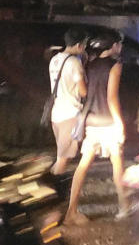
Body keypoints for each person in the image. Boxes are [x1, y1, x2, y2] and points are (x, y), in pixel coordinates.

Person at [64, 29, 125, 225]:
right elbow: (112, 98)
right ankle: (124, 206)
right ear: (113, 46)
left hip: (91, 121)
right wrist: (120, 124)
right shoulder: (115, 66)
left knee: (83, 166)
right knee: (117, 163)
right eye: (118, 43)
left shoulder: (89, 64)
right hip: (107, 122)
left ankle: (71, 210)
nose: (120, 47)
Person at [49, 27, 88, 175]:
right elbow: (83, 91)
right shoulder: (74, 63)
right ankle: (50, 189)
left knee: (62, 156)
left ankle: (50, 184)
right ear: (79, 45)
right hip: (70, 114)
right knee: (63, 159)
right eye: (84, 45)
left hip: (57, 114)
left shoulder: (55, 60)